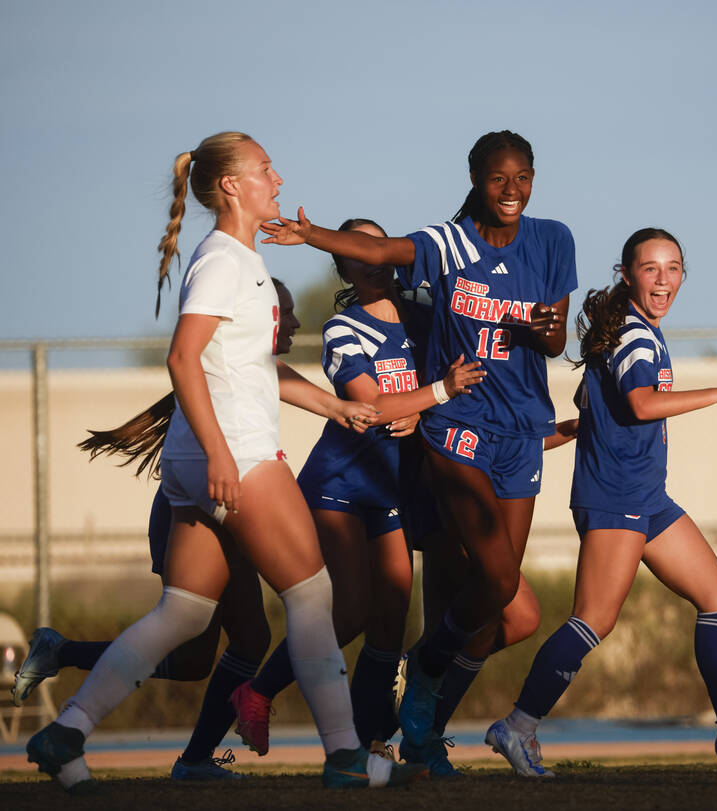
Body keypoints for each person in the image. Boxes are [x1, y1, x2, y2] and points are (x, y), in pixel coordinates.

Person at [25, 131, 427, 793]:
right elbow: (183, 358)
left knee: (182, 615)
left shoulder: (241, 259)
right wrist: (219, 452)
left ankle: (66, 730)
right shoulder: (224, 260)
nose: (278, 177)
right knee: (313, 594)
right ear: (233, 186)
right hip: (233, 451)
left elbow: (249, 366)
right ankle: (348, 756)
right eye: (266, 168)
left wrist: (335, 409)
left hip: (200, 456)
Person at [261, 130, 576, 765]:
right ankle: (391, 695)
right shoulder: (443, 246)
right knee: (480, 582)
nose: (511, 190)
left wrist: (547, 335)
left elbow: (551, 338)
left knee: (499, 601)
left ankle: (423, 704)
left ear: (535, 178)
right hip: (448, 433)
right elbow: (378, 250)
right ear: (476, 179)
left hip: (515, 431)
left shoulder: (553, 239)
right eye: (497, 179)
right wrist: (313, 234)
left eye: (522, 177)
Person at [485, 228, 717, 777]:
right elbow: (639, 403)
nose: (663, 279)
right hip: (616, 498)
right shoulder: (633, 334)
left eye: (673, 268)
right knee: (593, 621)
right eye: (651, 268)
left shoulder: (630, 331)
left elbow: (595, 403)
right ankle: (517, 726)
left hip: (645, 496)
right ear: (627, 274)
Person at [11, 278, 298, 781]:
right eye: (284, 312)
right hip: (196, 513)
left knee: (202, 658)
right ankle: (190, 759)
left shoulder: (247, 374)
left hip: (212, 509)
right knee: (246, 638)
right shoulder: (228, 376)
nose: (292, 322)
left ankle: (67, 655)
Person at [229, 218, 482, 761]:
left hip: (393, 486)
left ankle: (371, 745)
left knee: (390, 619)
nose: (373, 257)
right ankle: (258, 691)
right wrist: (433, 394)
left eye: (378, 245)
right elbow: (370, 409)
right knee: (350, 612)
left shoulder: (425, 309)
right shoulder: (345, 329)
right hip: (339, 483)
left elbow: (450, 381)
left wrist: (428, 405)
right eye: (357, 251)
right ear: (342, 264)